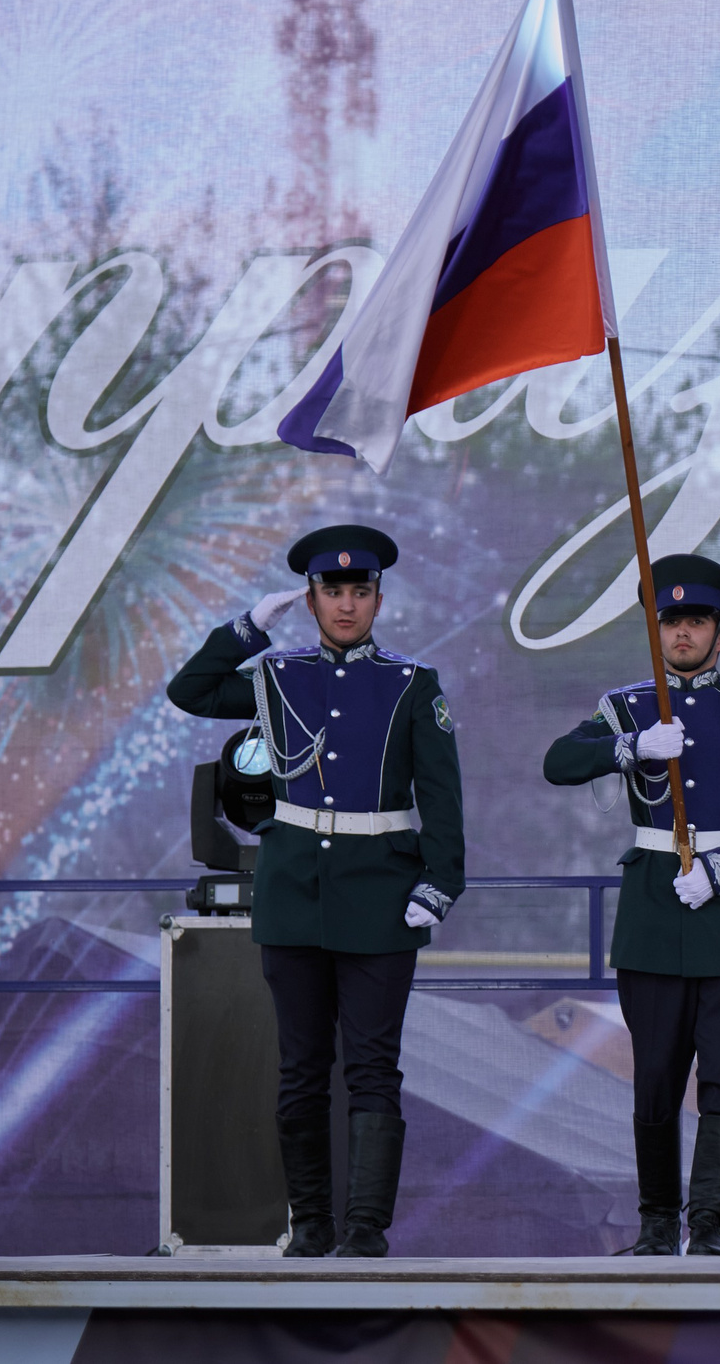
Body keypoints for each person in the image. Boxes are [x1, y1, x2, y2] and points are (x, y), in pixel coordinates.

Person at [165, 524, 463, 1258]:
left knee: (370, 1066)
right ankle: (312, 1223)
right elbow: (189, 690)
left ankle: (365, 1228)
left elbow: (444, 797)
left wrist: (440, 883)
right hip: (295, 891)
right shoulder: (279, 676)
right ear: (311, 598)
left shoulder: (411, 684)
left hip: (383, 896)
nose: (347, 605)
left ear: (378, 599)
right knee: (300, 1069)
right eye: (333, 591)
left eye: (360, 592)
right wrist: (246, 628)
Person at [542, 554, 720, 1256]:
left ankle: (711, 1225)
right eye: (671, 621)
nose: (683, 632)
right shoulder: (628, 705)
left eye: (696, 621)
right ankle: (658, 1220)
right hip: (655, 912)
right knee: (654, 1074)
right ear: (656, 630)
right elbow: (559, 761)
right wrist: (628, 746)